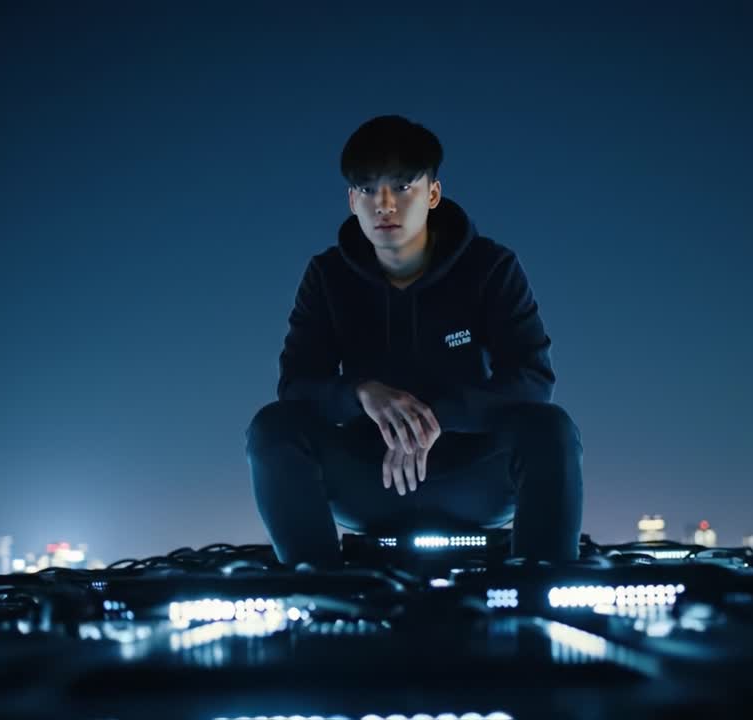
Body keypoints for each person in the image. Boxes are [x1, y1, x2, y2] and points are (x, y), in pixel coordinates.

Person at [245, 115, 583, 568]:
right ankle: (319, 590)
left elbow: (532, 380)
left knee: (552, 428)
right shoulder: (327, 276)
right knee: (273, 428)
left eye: (402, 187)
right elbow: (297, 387)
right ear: (351, 200)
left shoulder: (491, 267)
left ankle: (541, 588)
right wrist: (362, 393)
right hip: (371, 481)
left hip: (473, 481)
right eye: (367, 190)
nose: (384, 204)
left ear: (433, 194)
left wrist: (435, 416)